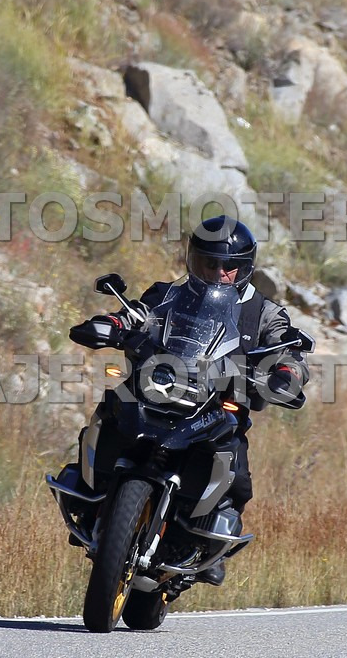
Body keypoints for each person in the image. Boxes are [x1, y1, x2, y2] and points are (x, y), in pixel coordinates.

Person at [71, 215, 311, 585]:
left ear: (245, 267)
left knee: (237, 473)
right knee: (108, 414)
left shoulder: (264, 312)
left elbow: (288, 350)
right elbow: (136, 314)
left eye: (229, 266)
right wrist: (113, 325)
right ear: (193, 260)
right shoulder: (167, 294)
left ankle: (209, 543)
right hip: (155, 389)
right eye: (209, 263)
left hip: (216, 407)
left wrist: (286, 374)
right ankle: (89, 495)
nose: (219, 273)